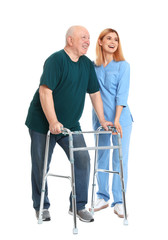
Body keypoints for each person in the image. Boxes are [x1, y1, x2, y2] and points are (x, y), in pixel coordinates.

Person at [25, 26, 113, 223]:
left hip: (70, 125)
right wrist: (53, 121)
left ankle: (78, 205)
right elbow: (45, 92)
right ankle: (41, 205)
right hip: (42, 123)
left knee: (82, 159)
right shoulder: (56, 60)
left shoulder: (86, 65)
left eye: (89, 38)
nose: (88, 41)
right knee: (41, 165)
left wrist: (102, 119)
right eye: (83, 37)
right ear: (70, 40)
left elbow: (94, 93)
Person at [92, 28, 133, 218]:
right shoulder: (93, 66)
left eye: (116, 39)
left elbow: (121, 95)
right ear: (100, 42)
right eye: (108, 38)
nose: (113, 42)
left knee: (119, 159)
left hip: (120, 120)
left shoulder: (123, 66)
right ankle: (102, 195)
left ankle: (119, 201)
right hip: (100, 119)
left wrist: (116, 120)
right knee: (101, 156)